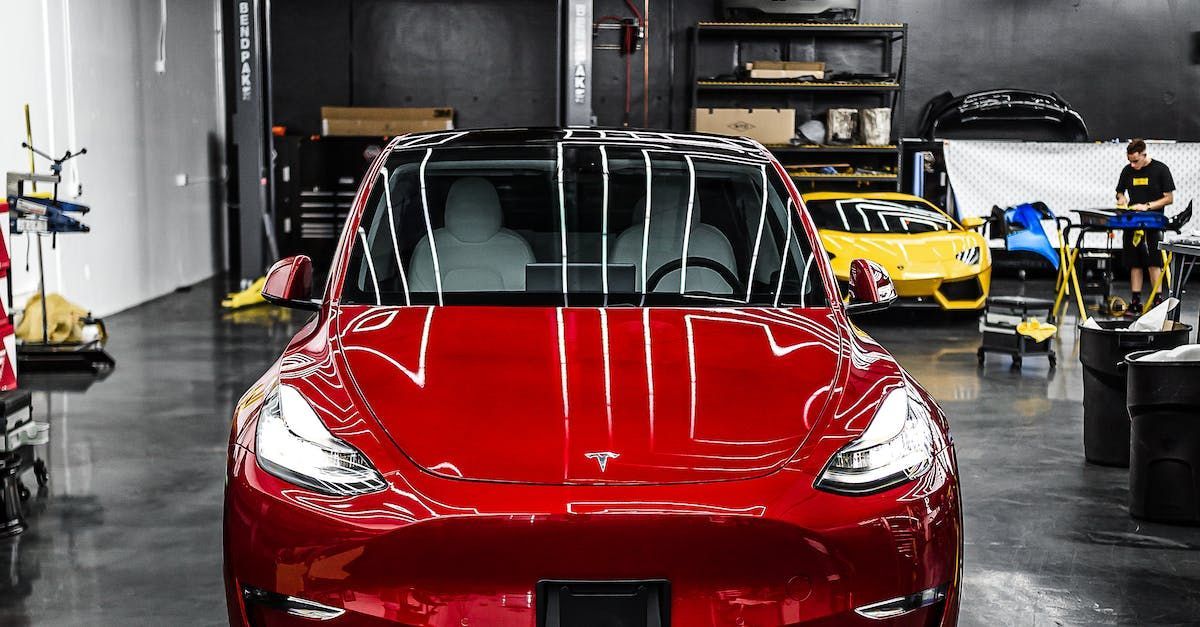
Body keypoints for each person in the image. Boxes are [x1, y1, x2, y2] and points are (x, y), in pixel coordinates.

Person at [1115, 138, 1175, 313]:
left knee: (1154, 261)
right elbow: (1119, 191)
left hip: (1153, 222)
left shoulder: (1160, 169)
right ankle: (1135, 301)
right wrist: (1121, 199)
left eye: (1136, 161)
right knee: (1134, 262)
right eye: (1130, 161)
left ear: (1144, 154)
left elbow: (1169, 198)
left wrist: (1147, 206)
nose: (1133, 165)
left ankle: (1157, 299)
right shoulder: (1127, 171)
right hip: (1133, 222)